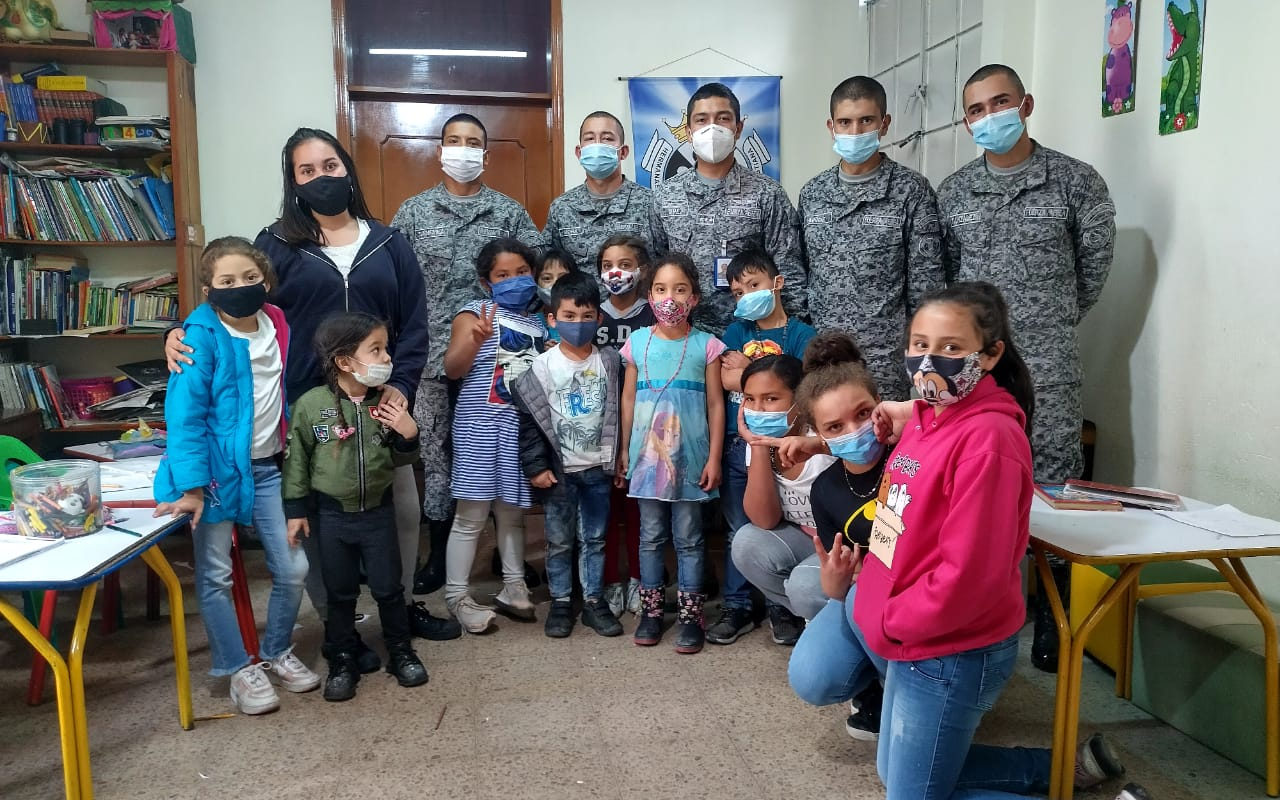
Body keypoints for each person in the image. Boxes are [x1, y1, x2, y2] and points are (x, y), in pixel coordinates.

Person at [787, 282, 1147, 800]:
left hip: (944, 649)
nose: (929, 361)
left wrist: (890, 620)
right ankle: (1064, 771)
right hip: (918, 637)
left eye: (951, 348)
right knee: (898, 776)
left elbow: (969, 578)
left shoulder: (989, 442)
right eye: (918, 344)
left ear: (992, 353)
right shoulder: (927, 419)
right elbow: (898, 427)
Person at [164, 128, 458, 654]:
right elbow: (232, 302)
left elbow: (415, 325)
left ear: (347, 169)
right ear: (293, 183)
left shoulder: (390, 242)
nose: (321, 178)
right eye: (307, 171)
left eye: (330, 166)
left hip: (380, 396)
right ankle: (337, 624)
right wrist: (178, 330)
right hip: (307, 403)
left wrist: (405, 388)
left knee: (403, 509)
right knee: (319, 520)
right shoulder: (276, 244)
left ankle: (401, 604)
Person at [937, 64, 1117, 672]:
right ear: (966, 121)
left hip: (1049, 366)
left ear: (1026, 103)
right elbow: (946, 280)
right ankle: (992, 614)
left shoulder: (1075, 182)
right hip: (975, 371)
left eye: (1000, 103)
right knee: (979, 490)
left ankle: (1055, 627)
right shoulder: (954, 192)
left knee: (1055, 488)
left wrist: (1046, 323)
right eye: (977, 109)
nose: (989, 116)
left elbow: (1091, 273)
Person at [154, 237, 318, 715]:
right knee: (216, 576)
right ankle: (236, 667)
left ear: (265, 281)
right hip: (214, 477)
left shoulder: (278, 322)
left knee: (293, 569)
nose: (240, 288)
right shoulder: (198, 338)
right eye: (226, 281)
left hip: (268, 468)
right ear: (209, 288)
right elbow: (184, 416)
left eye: (249, 278)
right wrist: (190, 487)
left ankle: (276, 652)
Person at [390, 113, 545, 597]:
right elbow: (391, 282)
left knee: (505, 452)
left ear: (487, 152)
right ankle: (439, 556)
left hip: (500, 357)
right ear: (440, 150)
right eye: (454, 141)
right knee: (438, 461)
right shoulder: (413, 212)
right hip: (432, 358)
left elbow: (535, 278)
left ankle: (507, 556)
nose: (463, 149)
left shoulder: (510, 213)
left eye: (473, 142)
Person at [282, 312, 428, 702]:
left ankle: (400, 652)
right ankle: (343, 658)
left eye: (385, 349)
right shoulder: (311, 406)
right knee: (340, 592)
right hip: (331, 518)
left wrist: (408, 435)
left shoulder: (386, 403)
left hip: (378, 516)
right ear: (345, 361)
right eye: (375, 350)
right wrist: (295, 511)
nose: (386, 359)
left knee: (389, 588)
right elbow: (296, 462)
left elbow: (398, 461)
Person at [798, 75, 944, 401]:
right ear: (831, 126)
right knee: (825, 447)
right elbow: (800, 274)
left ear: (884, 123)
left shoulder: (910, 190)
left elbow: (926, 287)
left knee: (886, 447)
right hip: (823, 355)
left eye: (866, 121)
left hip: (884, 360)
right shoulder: (813, 193)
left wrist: (921, 355)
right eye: (845, 122)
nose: (855, 132)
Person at [618, 253, 726, 653]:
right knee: (649, 536)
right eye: (661, 289)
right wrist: (625, 452)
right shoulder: (636, 344)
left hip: (692, 461)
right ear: (649, 297)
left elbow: (716, 406)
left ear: (694, 298)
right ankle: (650, 612)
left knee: (690, 538)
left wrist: (714, 458)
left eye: (680, 289)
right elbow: (628, 400)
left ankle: (691, 615)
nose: (670, 298)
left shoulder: (707, 346)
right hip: (647, 461)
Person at [709, 249, 816, 646]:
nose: (745, 296)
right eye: (738, 292)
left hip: (791, 447)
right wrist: (764, 381)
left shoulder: (803, 335)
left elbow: (806, 389)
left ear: (777, 283)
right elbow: (722, 379)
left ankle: (782, 607)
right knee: (742, 526)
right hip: (743, 446)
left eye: (753, 286)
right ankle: (737, 605)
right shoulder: (737, 333)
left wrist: (746, 376)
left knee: (785, 523)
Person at [440, 238, 546, 633]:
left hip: (520, 429)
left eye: (522, 272)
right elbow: (452, 369)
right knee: (471, 516)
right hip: (480, 427)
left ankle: (514, 586)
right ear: (487, 282)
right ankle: (457, 596)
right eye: (503, 275)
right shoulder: (473, 314)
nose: (515, 280)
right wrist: (475, 340)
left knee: (512, 512)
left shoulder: (539, 321)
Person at [513, 271, 624, 639]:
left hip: (597, 469)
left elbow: (620, 414)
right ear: (552, 319)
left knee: (595, 538)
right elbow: (529, 423)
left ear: (599, 318)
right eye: (569, 316)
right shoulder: (542, 367)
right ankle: (561, 601)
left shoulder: (610, 362)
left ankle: (593, 601)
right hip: (559, 473)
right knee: (559, 539)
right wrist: (535, 465)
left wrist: (618, 458)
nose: (578, 324)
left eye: (586, 316)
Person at [649, 82, 805, 335]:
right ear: (688, 132)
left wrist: (784, 336)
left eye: (723, 118)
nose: (712, 127)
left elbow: (789, 271)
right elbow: (655, 268)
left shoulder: (768, 194)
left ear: (738, 128)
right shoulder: (665, 196)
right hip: (686, 336)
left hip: (753, 336)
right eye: (702, 119)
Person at [727, 351, 838, 647]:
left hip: (847, 547)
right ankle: (818, 617)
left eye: (771, 398)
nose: (758, 409)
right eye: (749, 399)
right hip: (808, 542)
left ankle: (843, 628)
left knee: (804, 584)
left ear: (800, 400)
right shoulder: (756, 443)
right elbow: (764, 519)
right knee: (747, 543)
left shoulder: (825, 437)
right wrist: (760, 447)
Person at [595, 234, 655, 616]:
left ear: (643, 270)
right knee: (603, 510)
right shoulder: (591, 313)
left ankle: (638, 579)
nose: (616, 272)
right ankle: (608, 584)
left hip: (645, 425)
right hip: (597, 425)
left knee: (638, 509)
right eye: (607, 265)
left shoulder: (655, 313)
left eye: (626, 264)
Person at [544, 111, 657, 276]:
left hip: (636, 301)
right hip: (579, 301)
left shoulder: (650, 203)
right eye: (590, 138)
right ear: (579, 152)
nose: (597, 145)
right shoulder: (562, 207)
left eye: (607, 139)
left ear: (623, 152)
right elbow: (549, 267)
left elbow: (664, 263)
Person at [534, 248, 576, 346]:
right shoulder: (532, 321)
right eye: (547, 278)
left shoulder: (583, 317)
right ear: (536, 283)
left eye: (563, 278)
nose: (556, 284)